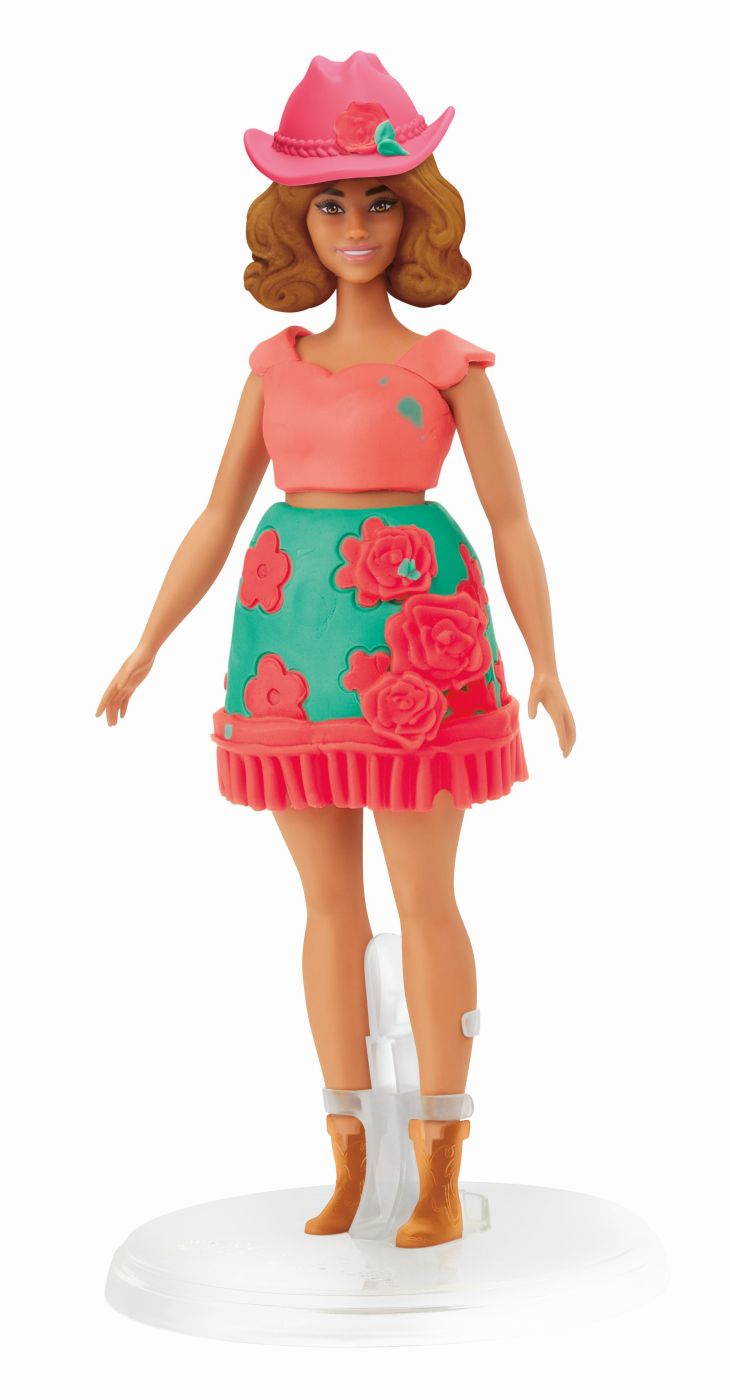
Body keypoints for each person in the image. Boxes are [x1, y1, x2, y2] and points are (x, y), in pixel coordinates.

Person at [96, 51, 576, 1248]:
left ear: (414, 214)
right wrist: (147, 641)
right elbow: (217, 513)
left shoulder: (447, 365)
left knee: (425, 899)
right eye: (328, 203)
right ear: (294, 223)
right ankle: (351, 1154)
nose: (355, 225)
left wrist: (547, 657)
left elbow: (512, 518)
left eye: (377, 200)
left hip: (420, 647)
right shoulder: (274, 367)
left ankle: (441, 1164)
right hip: (289, 656)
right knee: (324, 908)